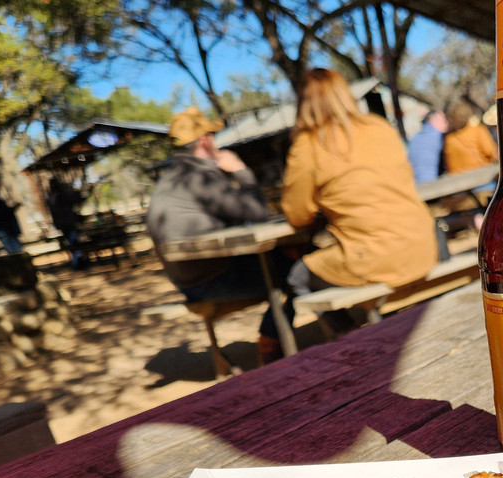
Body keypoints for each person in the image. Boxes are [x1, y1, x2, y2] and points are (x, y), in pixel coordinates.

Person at [280, 68, 438, 332]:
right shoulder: (379, 126)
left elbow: (297, 215)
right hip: (424, 245)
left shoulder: (308, 144)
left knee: (297, 275)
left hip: (376, 257)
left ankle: (350, 339)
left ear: (303, 103)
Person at [147, 106, 285, 364]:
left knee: (285, 262)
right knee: (295, 267)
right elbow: (258, 212)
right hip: (212, 281)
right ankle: (273, 341)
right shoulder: (200, 176)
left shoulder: (173, 177)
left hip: (188, 282)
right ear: (204, 140)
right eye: (212, 135)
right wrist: (242, 171)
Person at [442, 100, 497, 177]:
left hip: (456, 181)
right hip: (480, 177)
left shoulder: (448, 137)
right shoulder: (477, 130)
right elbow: (491, 152)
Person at [46, 178, 88, 269]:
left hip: (64, 224)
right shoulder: (59, 196)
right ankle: (78, 263)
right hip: (68, 223)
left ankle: (77, 261)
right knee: (74, 243)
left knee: (73, 242)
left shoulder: (52, 197)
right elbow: (74, 200)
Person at [407, 109, 447, 184]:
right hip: (433, 185)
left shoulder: (415, 138)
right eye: (443, 121)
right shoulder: (438, 136)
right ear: (433, 121)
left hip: (417, 186)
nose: (446, 125)